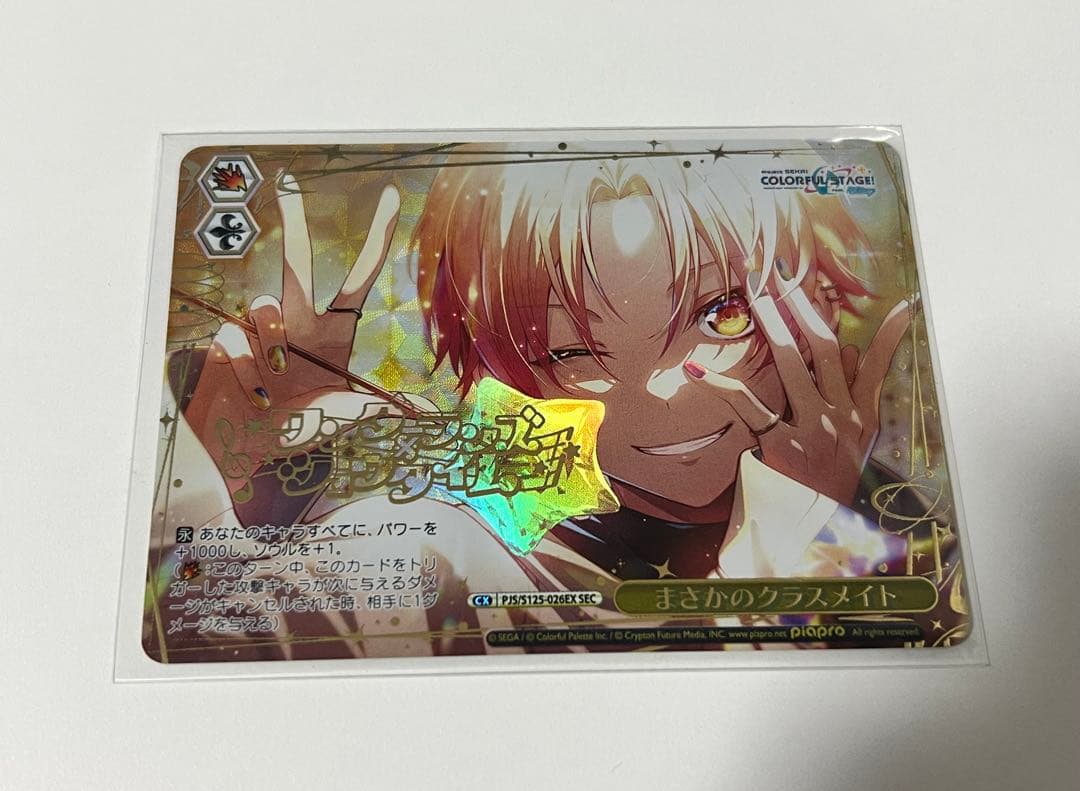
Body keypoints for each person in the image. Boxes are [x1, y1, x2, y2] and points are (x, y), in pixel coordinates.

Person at [167, 144, 922, 660]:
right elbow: (212, 634)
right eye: (571, 351)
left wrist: (818, 525)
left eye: (722, 315)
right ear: (497, 366)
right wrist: (243, 495)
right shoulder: (463, 547)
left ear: (815, 298)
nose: (662, 393)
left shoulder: (902, 522)